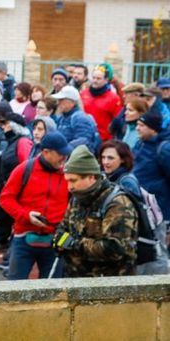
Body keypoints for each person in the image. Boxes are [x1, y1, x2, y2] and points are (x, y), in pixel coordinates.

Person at [54, 145, 138, 277]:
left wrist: (72, 244)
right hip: (75, 278)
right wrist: (61, 241)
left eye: (73, 180)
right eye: (67, 181)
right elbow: (62, 230)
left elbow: (115, 249)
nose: (69, 187)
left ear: (91, 177)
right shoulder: (77, 198)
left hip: (108, 285)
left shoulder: (117, 203)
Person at [0, 131, 71, 279]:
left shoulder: (68, 174)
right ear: (46, 152)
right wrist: (26, 215)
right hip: (24, 238)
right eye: (60, 154)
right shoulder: (24, 169)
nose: (65, 157)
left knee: (53, 290)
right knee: (15, 288)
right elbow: (5, 199)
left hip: (55, 239)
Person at [100, 139, 168, 275]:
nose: (105, 162)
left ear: (123, 160)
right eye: (103, 157)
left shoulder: (126, 181)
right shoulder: (109, 179)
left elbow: (132, 213)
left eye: (110, 158)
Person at [0, 103, 33, 251]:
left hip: (14, 187)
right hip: (6, 184)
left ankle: (8, 243)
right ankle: (2, 239)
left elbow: (26, 166)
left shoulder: (23, 142)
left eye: (5, 125)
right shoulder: (12, 142)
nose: (2, 128)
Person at [133, 112, 170, 220]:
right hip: (141, 203)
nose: (137, 128)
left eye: (142, 125)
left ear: (153, 129)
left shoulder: (164, 149)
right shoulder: (140, 143)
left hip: (159, 206)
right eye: (137, 124)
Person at [81, 63, 122, 142]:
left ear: (106, 80)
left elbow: (118, 120)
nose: (95, 81)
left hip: (103, 139)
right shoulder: (83, 94)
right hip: (84, 137)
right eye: (93, 78)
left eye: (99, 78)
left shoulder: (114, 98)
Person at [52, 85, 99, 152]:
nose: (58, 102)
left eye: (62, 100)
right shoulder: (62, 118)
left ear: (72, 102)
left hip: (77, 159)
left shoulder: (79, 117)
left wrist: (65, 149)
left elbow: (84, 140)